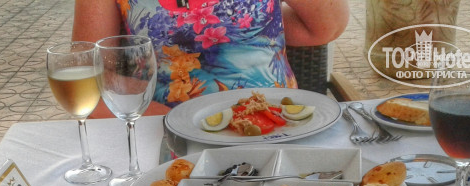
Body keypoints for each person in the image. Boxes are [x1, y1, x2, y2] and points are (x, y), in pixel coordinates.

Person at [72, 0, 349, 117]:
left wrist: (252, 28)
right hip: (158, 130)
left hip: (273, 123)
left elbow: (324, 27)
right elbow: (85, 71)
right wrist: (167, 122)